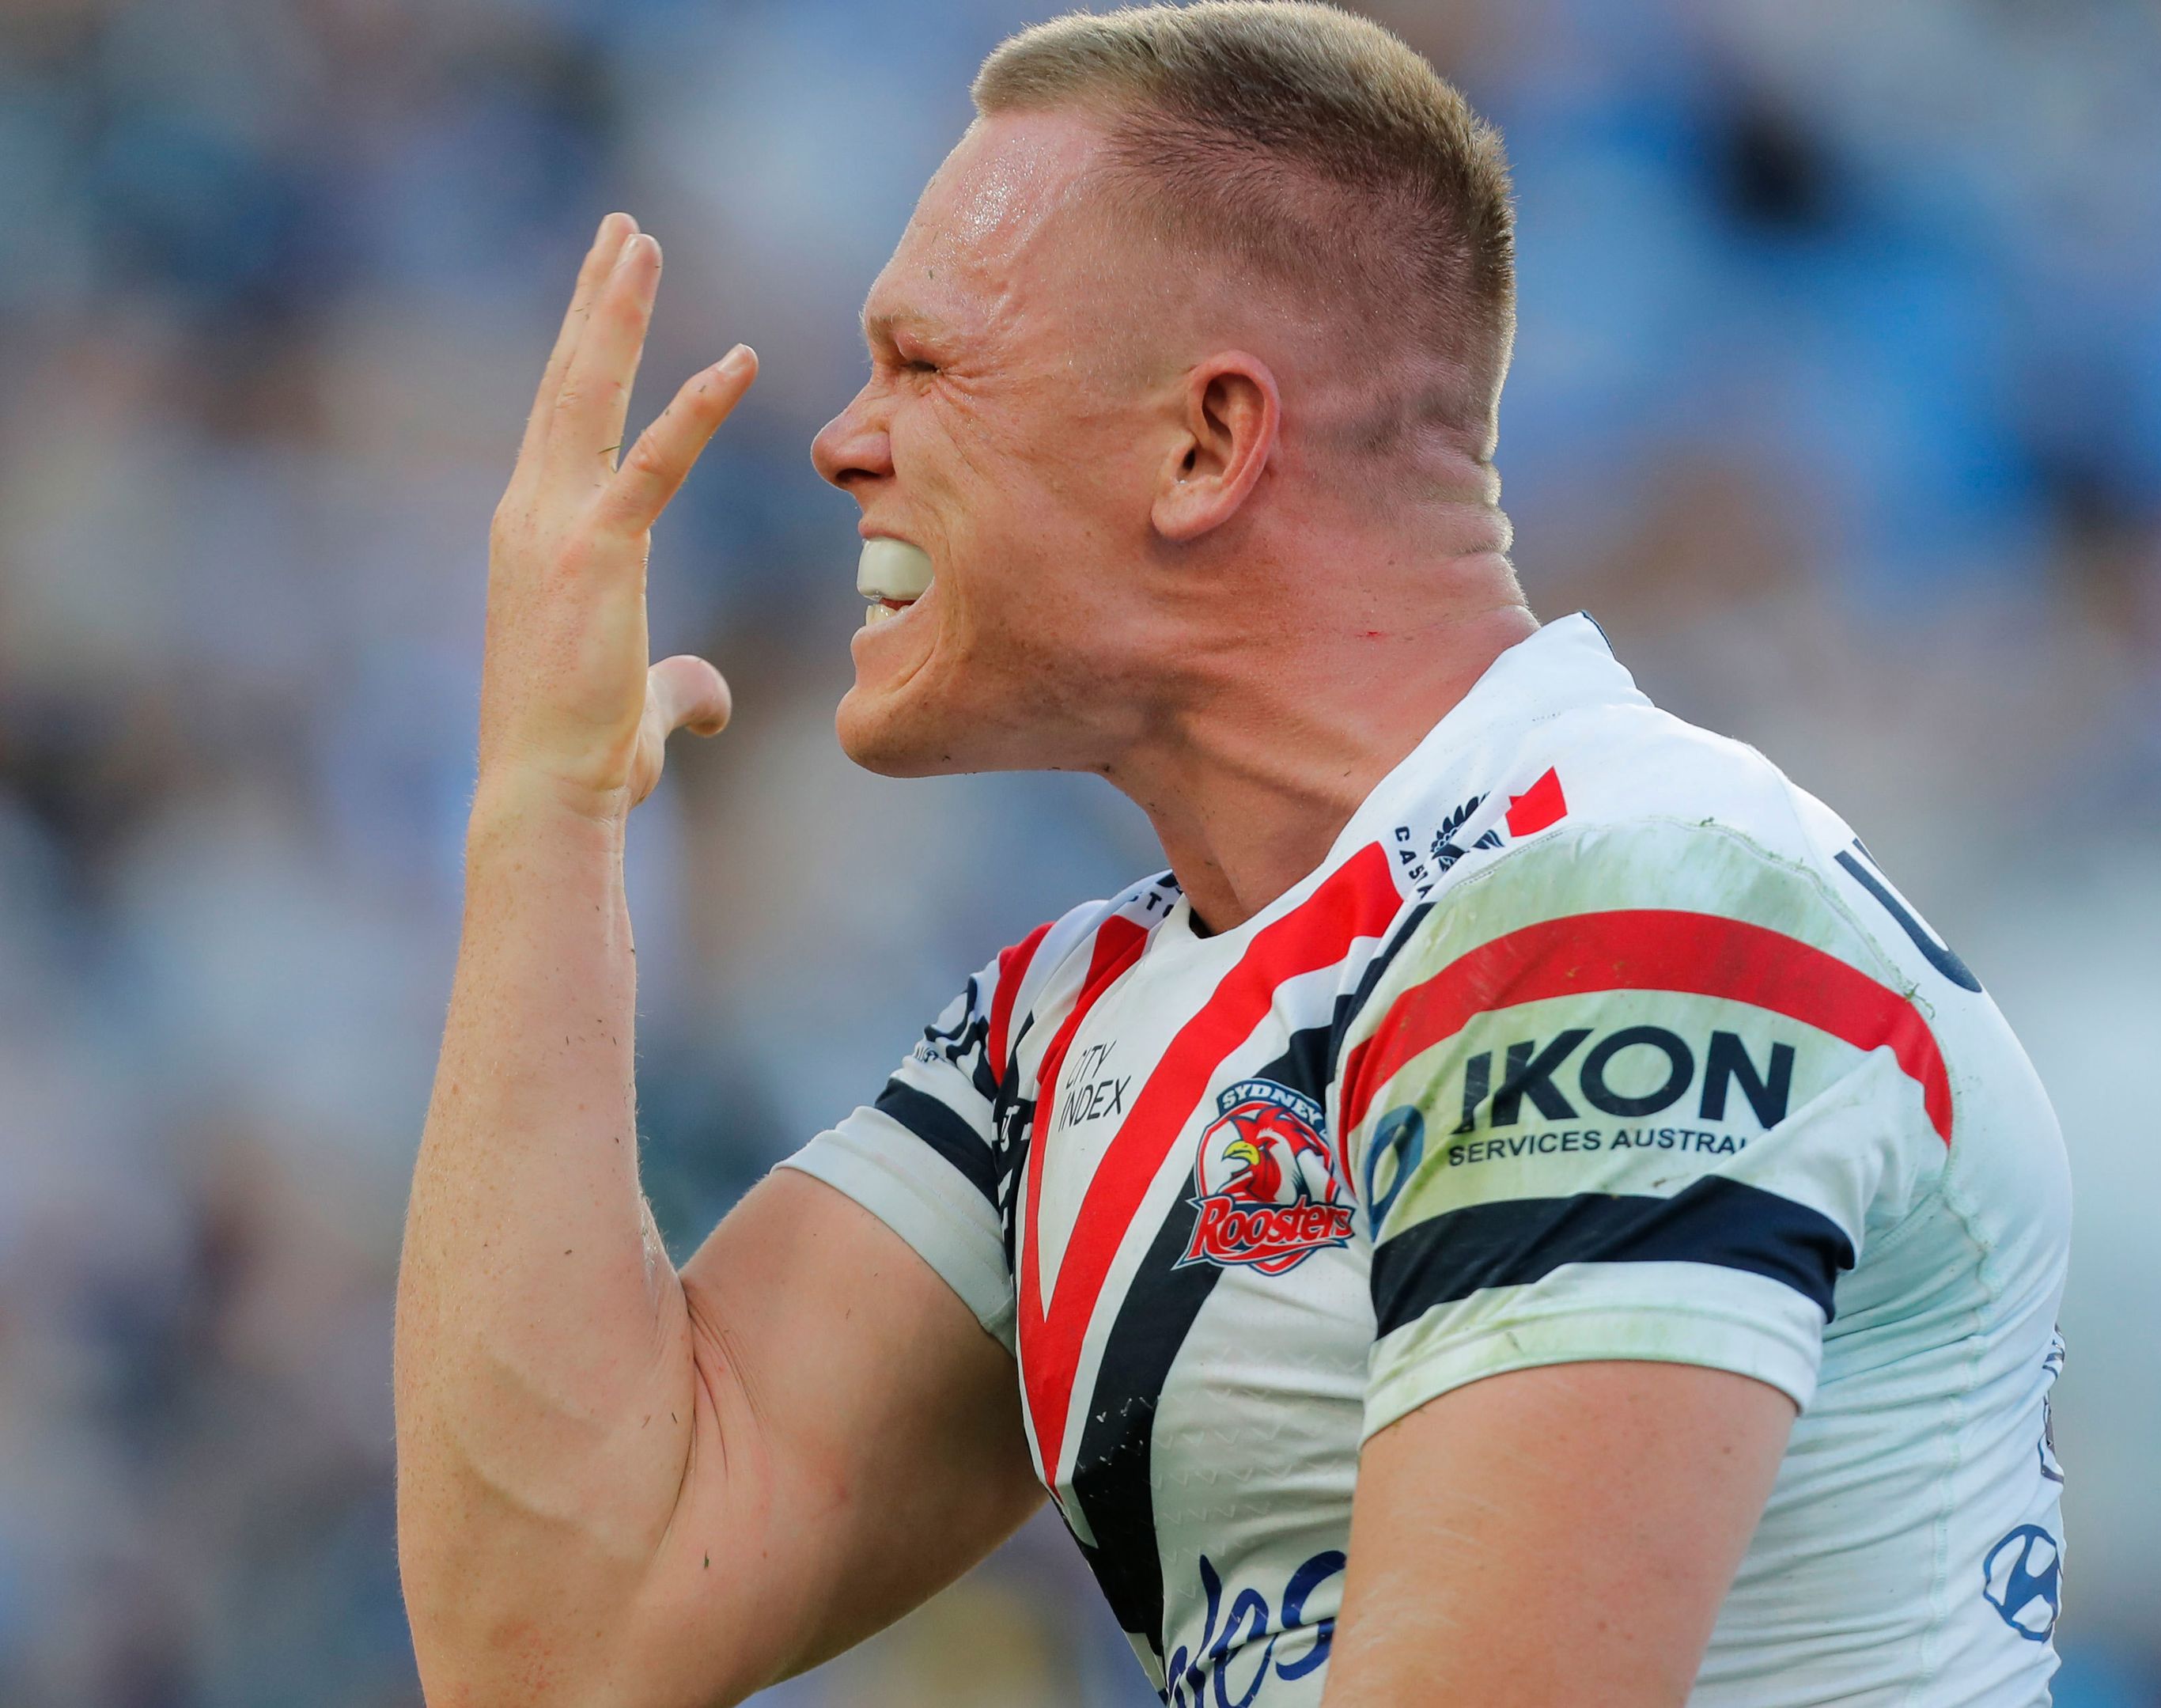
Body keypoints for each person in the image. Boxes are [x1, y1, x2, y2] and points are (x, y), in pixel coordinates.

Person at [390, 6, 2074, 1705]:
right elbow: (559, 1626)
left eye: (920, 366)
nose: (840, 440)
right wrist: (541, 812)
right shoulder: (1072, 1026)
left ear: (1204, 443)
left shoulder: (1630, 904)